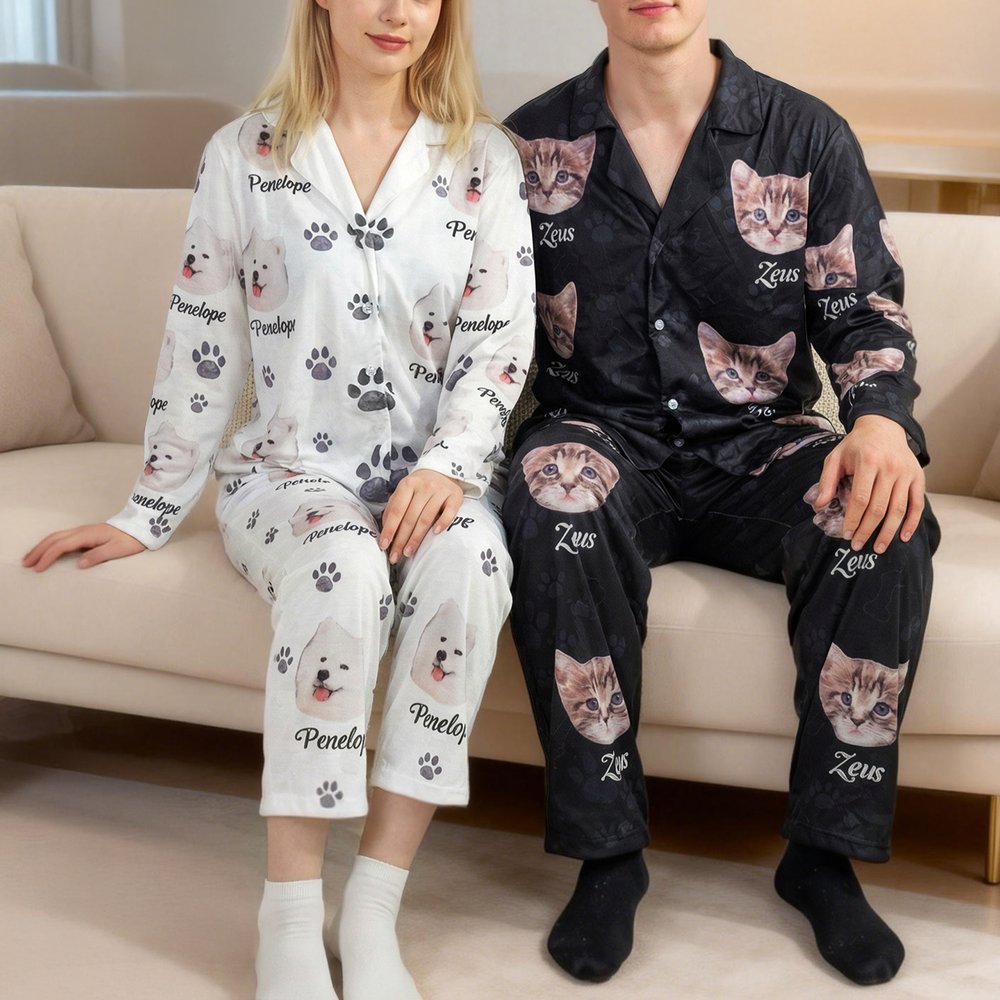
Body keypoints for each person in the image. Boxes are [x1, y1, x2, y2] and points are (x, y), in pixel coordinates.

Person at [22, 2, 533, 998]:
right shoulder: (242, 156)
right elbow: (200, 342)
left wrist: (449, 464)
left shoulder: (486, 161)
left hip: (437, 473)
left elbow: (500, 342)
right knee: (340, 570)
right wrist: (147, 511)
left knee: (473, 566)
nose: (399, 11)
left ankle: (373, 907)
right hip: (288, 471)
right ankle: (290, 914)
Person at [501, 0, 939, 987]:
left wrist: (878, 420)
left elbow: (863, 308)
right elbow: (478, 321)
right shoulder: (524, 146)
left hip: (761, 443)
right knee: (549, 493)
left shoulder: (805, 135)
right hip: (597, 437)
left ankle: (821, 856)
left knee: (882, 518)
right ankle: (607, 854)